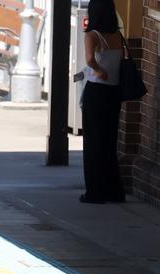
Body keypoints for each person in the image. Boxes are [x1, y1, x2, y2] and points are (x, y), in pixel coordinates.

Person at [80, 0, 125, 204]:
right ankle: (113, 190)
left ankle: (95, 192)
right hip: (113, 93)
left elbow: (90, 59)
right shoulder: (118, 36)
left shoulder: (92, 35)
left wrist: (98, 70)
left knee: (93, 142)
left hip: (96, 90)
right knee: (108, 142)